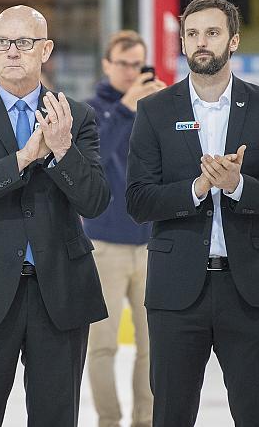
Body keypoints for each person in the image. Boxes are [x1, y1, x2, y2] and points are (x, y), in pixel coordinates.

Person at [0, 5, 111, 426]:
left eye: (25, 43)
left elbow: (95, 201)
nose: (14, 51)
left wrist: (63, 150)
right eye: (4, 43)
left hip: (59, 293)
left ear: (45, 50)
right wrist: (24, 158)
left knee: (56, 417)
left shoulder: (76, 116)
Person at [126, 0, 259, 426]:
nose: (200, 42)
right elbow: (138, 200)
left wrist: (237, 185)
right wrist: (198, 188)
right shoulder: (153, 111)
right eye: (192, 34)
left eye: (211, 32)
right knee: (170, 415)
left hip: (248, 291)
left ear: (233, 40)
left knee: (256, 414)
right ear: (182, 44)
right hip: (175, 293)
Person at [83, 30, 165, 427]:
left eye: (138, 64)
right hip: (104, 244)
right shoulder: (91, 110)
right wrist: (129, 108)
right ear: (107, 64)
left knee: (155, 345)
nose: (132, 71)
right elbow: (93, 156)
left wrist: (169, 108)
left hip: (151, 244)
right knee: (102, 345)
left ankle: (145, 420)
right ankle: (109, 420)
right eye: (124, 63)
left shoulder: (154, 106)